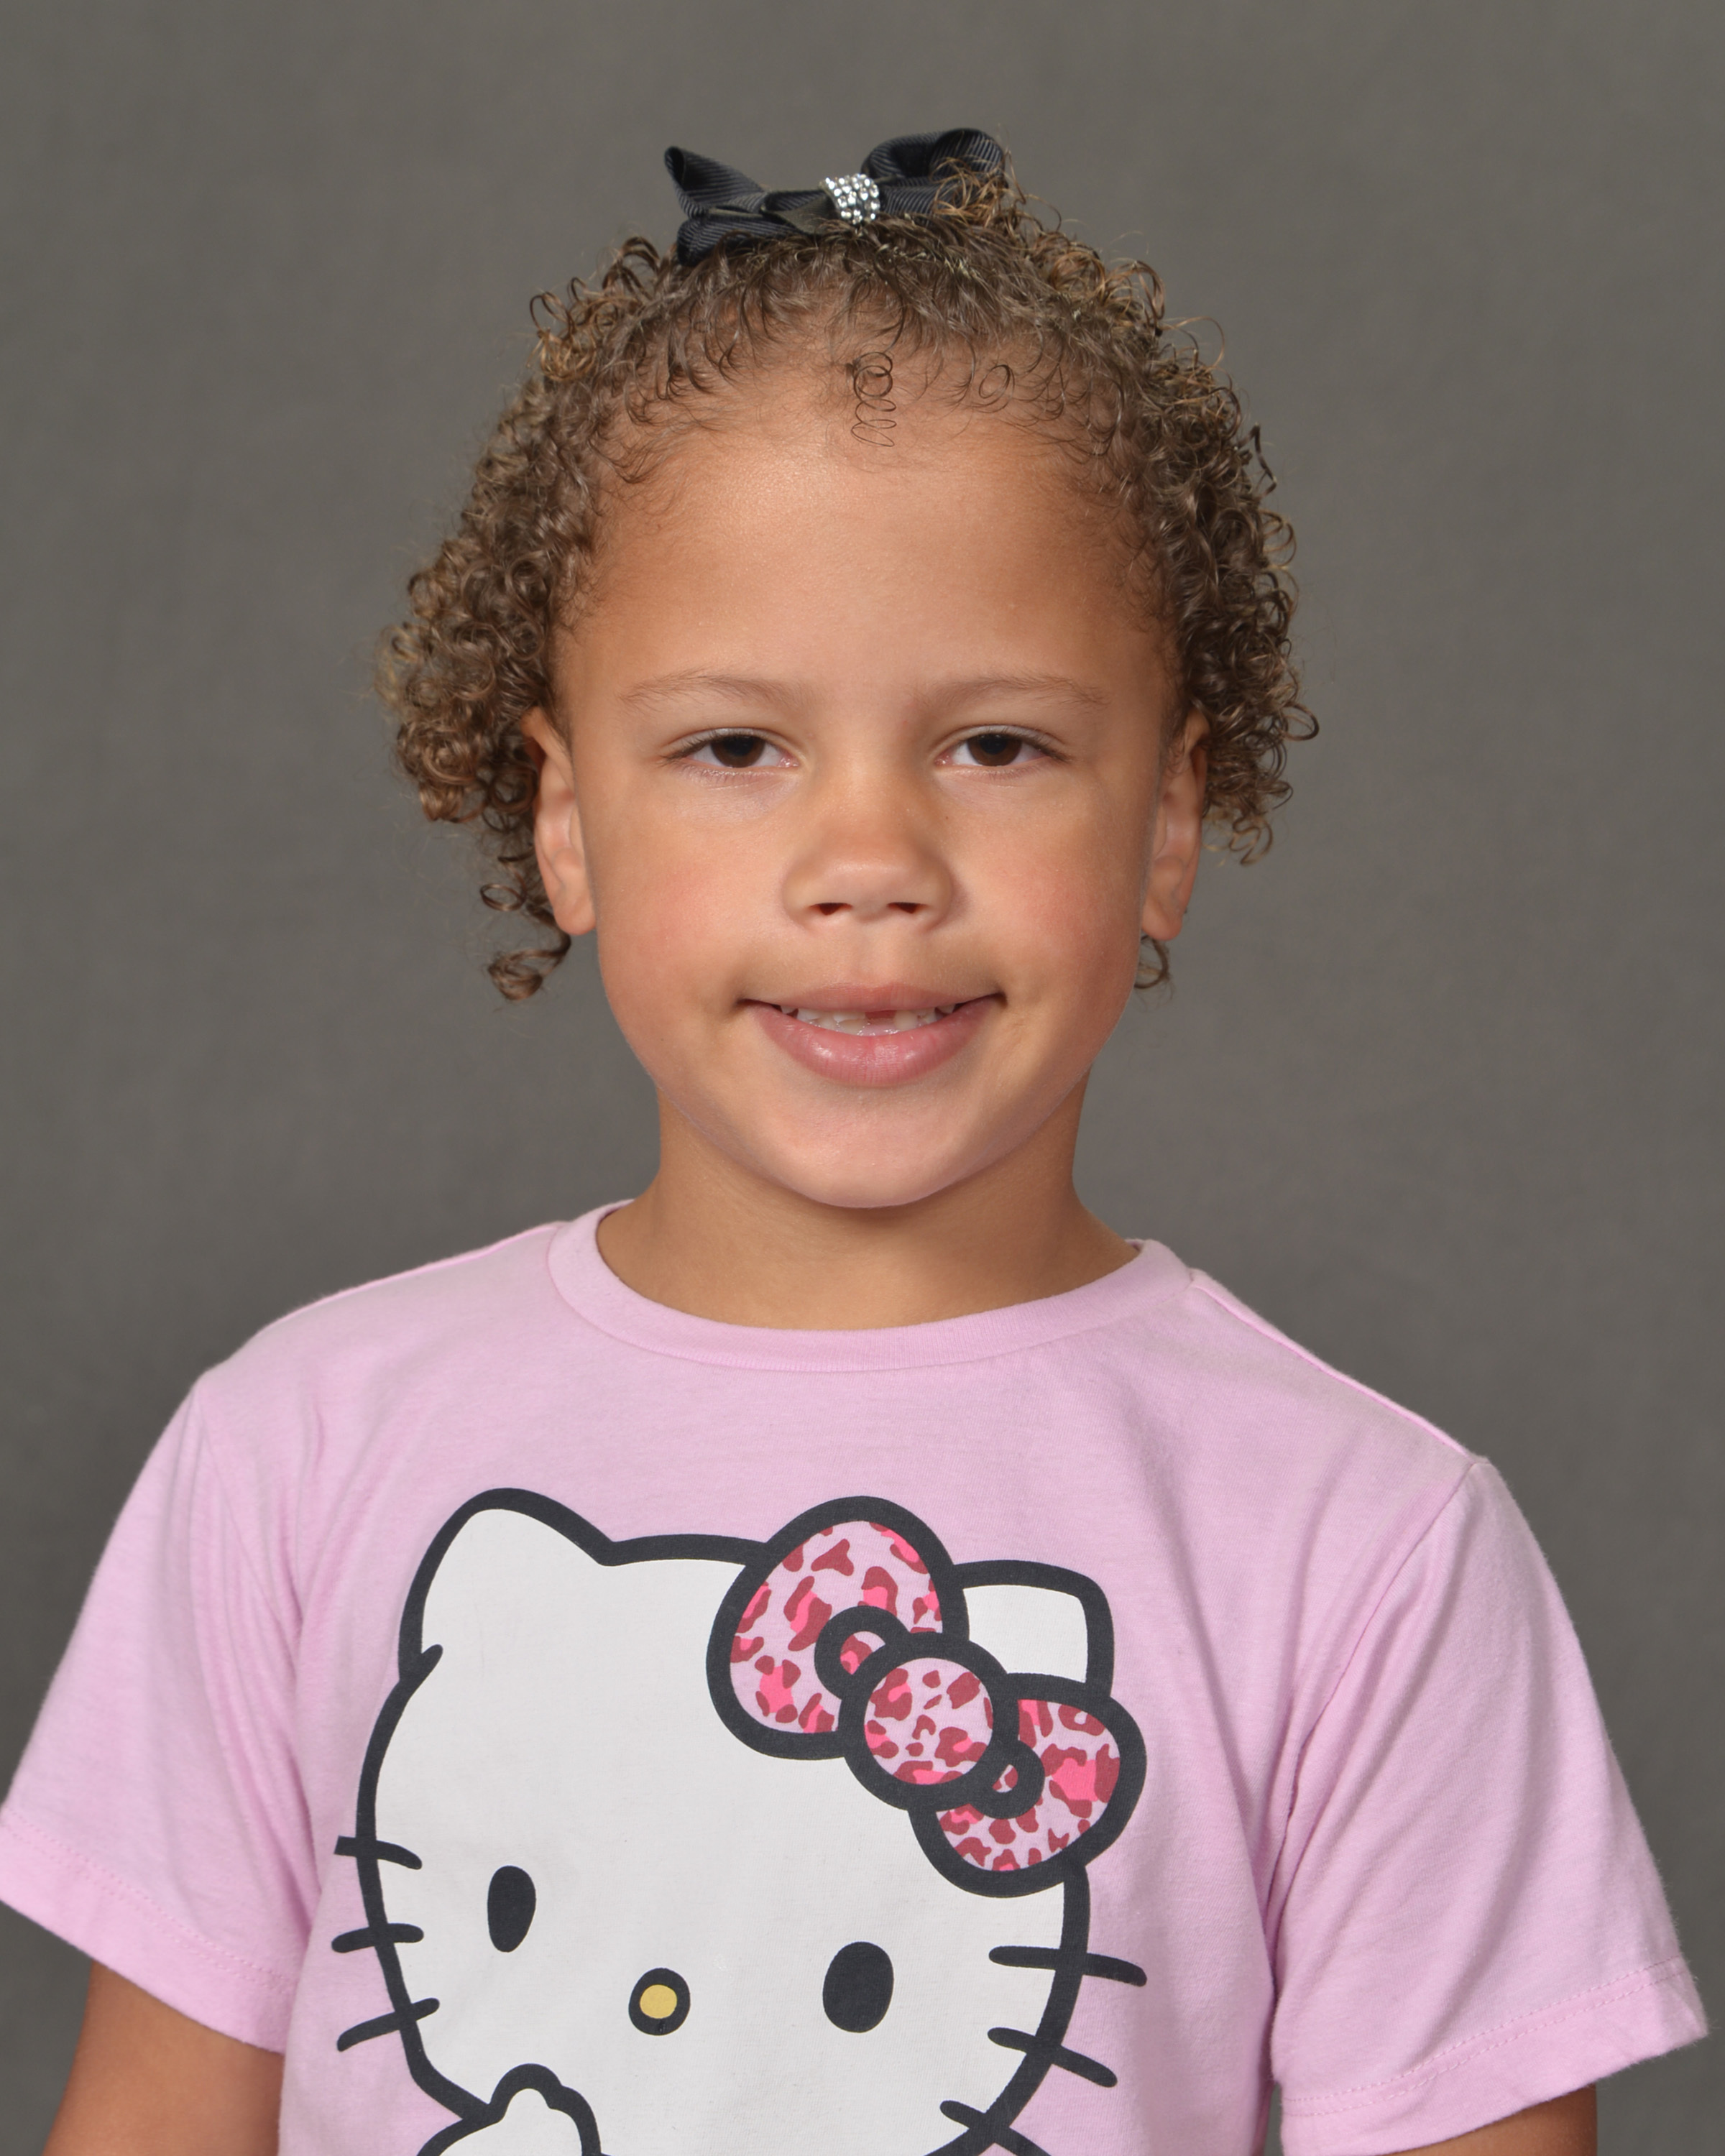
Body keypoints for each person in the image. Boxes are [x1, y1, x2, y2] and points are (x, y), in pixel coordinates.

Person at [0, 132, 1702, 2156]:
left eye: (997, 744)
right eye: (736, 747)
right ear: (566, 823)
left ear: (1168, 823)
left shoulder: (1372, 1553)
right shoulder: (291, 1457)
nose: (871, 860)